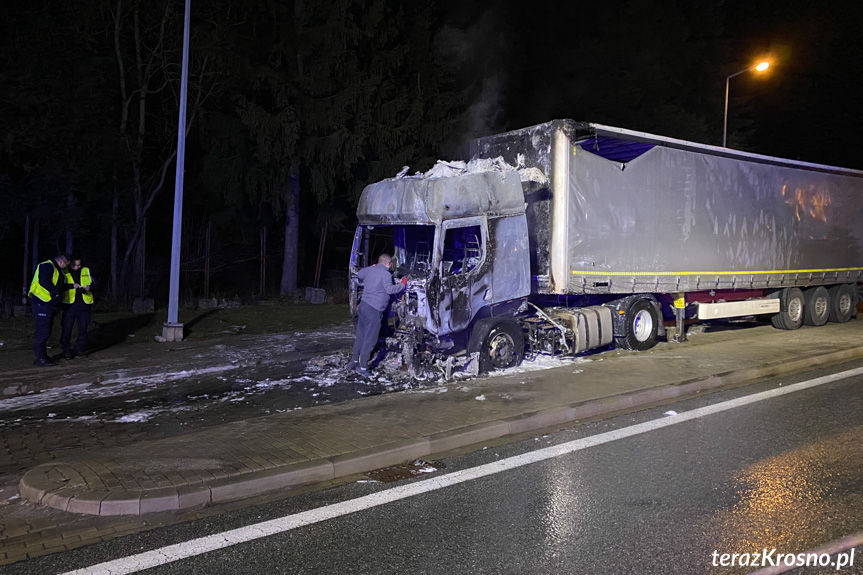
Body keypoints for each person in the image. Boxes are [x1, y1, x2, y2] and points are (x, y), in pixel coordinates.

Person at [350, 253, 407, 377]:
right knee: (370, 339)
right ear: (388, 263)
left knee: (361, 335)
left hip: (363, 306)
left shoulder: (370, 269)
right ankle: (363, 367)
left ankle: (354, 362)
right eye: (391, 264)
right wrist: (402, 284)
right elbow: (390, 290)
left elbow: (359, 274)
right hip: (374, 310)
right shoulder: (386, 274)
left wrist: (373, 268)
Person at [28, 252, 70, 367]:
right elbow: (44, 282)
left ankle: (42, 356)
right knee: (42, 331)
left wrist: (70, 287)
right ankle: (40, 358)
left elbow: (58, 286)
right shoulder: (46, 266)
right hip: (41, 302)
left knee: (46, 330)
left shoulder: (55, 269)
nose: (65, 267)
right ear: (61, 262)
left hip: (47, 304)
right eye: (65, 265)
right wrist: (56, 294)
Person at [60, 254, 94, 359]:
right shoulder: (64, 271)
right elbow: (59, 286)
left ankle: (80, 349)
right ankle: (66, 351)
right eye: (74, 265)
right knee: (67, 329)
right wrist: (71, 286)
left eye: (79, 265)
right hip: (69, 305)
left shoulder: (86, 270)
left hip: (84, 305)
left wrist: (90, 287)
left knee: (83, 329)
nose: (76, 267)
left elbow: (96, 283)